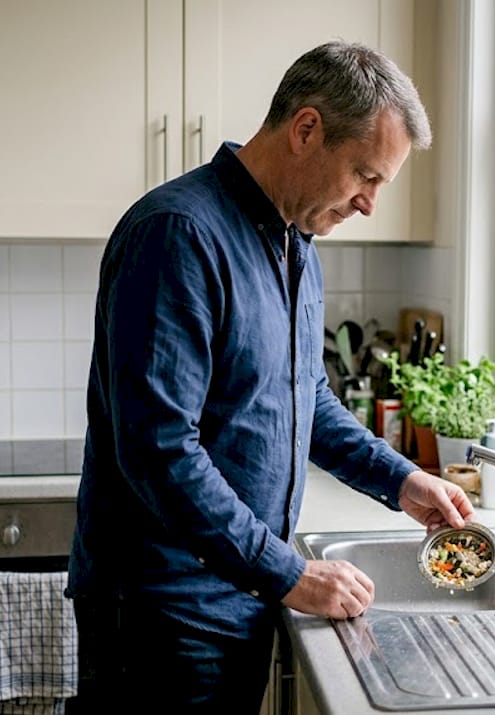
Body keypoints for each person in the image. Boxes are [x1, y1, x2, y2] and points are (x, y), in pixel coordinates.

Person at [65, 41, 474, 712]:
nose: (370, 203)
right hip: (162, 614)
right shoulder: (178, 235)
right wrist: (290, 573)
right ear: (307, 129)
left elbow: (302, 396)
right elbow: (159, 451)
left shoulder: (295, 243)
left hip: (235, 597)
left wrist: (401, 478)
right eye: (364, 175)